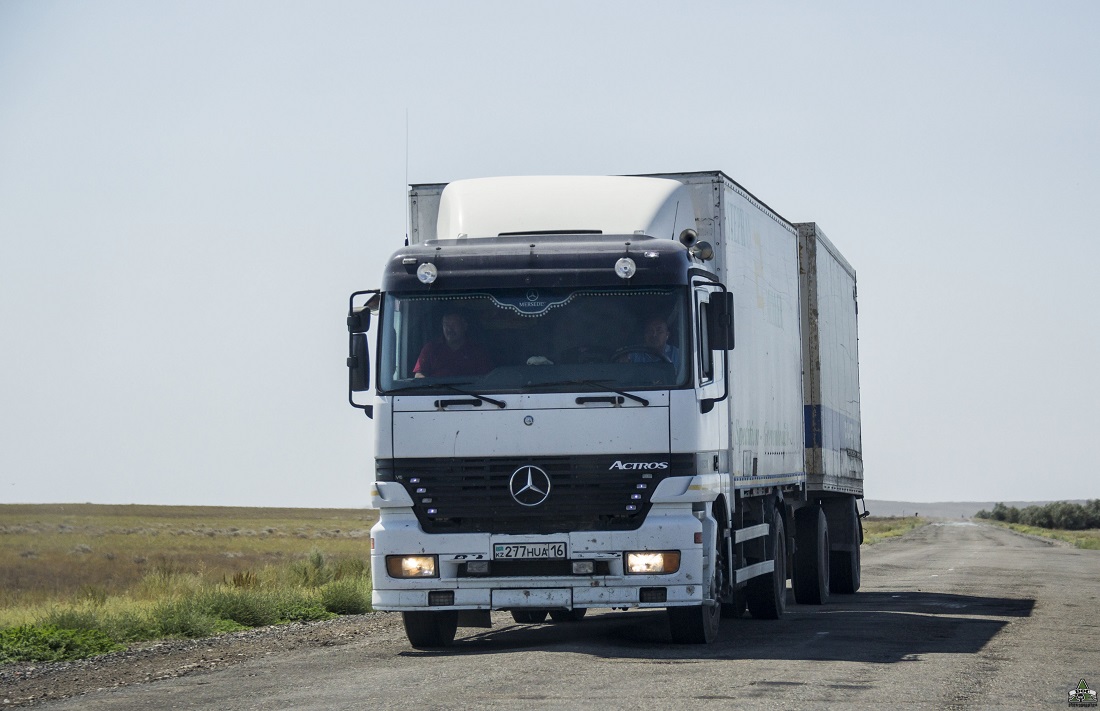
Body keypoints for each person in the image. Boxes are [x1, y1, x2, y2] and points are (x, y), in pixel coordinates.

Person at [413, 312, 493, 378]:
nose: (449, 329)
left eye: (454, 325)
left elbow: (486, 379)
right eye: (446, 325)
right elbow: (419, 375)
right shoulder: (430, 349)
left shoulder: (477, 351)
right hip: (436, 394)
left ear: (464, 326)